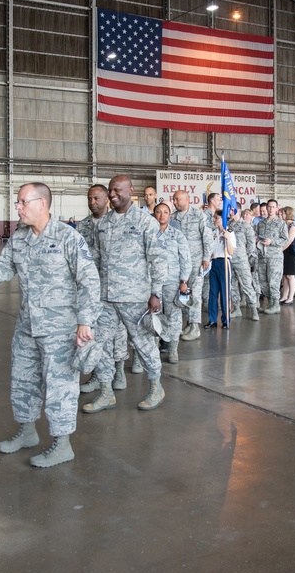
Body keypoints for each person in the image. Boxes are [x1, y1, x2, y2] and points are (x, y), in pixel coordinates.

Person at [0, 183, 100, 468]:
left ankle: (62, 445)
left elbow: (89, 279)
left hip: (60, 329)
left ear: (42, 204)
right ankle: (27, 433)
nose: (18, 207)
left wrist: (86, 320)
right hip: (27, 326)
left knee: (60, 386)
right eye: (18, 202)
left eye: (23, 202)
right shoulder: (20, 238)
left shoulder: (67, 237)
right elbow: (3, 267)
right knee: (24, 380)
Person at [84, 175, 166, 413]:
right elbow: (96, 260)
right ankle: (106, 393)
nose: (112, 194)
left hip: (135, 297)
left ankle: (155, 388)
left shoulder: (144, 221)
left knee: (143, 343)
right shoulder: (104, 223)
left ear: (131, 190)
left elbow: (158, 260)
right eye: (110, 191)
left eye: (117, 190)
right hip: (106, 297)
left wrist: (156, 293)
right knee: (99, 343)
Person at [77, 185, 130, 393]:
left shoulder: (116, 223)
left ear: (107, 199)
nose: (93, 203)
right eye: (90, 199)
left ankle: (119, 369)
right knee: (94, 333)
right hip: (92, 288)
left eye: (97, 198)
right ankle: (98, 375)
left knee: (119, 331)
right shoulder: (83, 226)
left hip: (116, 286)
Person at [152, 202, 190, 361]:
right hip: (153, 284)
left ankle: (173, 350)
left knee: (174, 317)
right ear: (154, 214)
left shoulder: (177, 235)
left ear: (169, 215)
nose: (162, 215)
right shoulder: (148, 233)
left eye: (165, 212)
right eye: (159, 212)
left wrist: (184, 280)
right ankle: (153, 350)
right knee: (153, 318)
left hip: (173, 283)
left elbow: (185, 258)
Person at [171, 190, 211, 341]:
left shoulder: (199, 214)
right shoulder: (173, 217)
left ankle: (195, 327)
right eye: (174, 200)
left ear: (187, 199)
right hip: (179, 262)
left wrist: (206, 257)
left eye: (177, 199)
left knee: (195, 293)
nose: (175, 202)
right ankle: (188, 322)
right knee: (183, 293)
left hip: (196, 261)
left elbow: (206, 237)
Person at [226, 207, 260, 321]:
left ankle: (254, 309)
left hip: (242, 260)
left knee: (247, 285)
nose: (229, 213)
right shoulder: (227, 225)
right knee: (232, 286)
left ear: (237, 210)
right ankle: (236, 308)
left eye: (231, 210)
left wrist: (246, 257)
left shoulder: (246, 226)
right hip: (229, 259)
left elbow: (251, 245)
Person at [205, 211, 236, 328]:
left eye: (216, 218)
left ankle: (226, 319)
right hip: (214, 262)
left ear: (222, 219)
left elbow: (231, 251)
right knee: (213, 292)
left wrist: (227, 238)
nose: (214, 220)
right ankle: (212, 319)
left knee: (224, 291)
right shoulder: (213, 232)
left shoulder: (230, 232)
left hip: (224, 261)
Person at [257, 200, 289, 314]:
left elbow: (285, 239)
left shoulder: (281, 223)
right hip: (262, 256)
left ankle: (276, 304)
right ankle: (270, 302)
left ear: (276, 209)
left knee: (273, 282)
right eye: (269, 207)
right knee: (263, 281)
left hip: (274, 257)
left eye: (273, 207)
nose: (270, 209)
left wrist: (272, 242)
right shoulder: (261, 223)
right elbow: (257, 236)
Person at [280, 208, 295, 304]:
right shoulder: (284, 224)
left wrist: (282, 249)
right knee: (284, 275)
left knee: (290, 275)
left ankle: (290, 297)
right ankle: (284, 296)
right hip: (284, 251)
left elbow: (290, 239)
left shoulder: (293, 225)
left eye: (282, 213)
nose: (281, 214)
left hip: (290, 251)